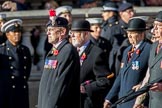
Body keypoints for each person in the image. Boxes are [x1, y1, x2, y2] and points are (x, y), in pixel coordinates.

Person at [103, 18, 152, 108]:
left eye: (132, 33)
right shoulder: (127, 50)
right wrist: (109, 98)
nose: (129, 35)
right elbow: (121, 76)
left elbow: (151, 75)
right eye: (128, 32)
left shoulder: (149, 49)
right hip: (122, 100)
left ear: (141, 34)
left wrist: (142, 86)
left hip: (137, 102)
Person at [38, 16, 80, 108]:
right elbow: (46, 84)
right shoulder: (54, 51)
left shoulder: (67, 51)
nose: (48, 33)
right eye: (47, 30)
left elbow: (60, 85)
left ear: (62, 32)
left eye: (51, 30)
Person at [70, 19, 114, 108]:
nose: (72, 36)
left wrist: (86, 88)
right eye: (71, 32)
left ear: (86, 34)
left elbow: (105, 81)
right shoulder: (71, 51)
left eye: (76, 32)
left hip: (87, 102)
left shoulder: (97, 53)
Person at [133, 11, 162, 108]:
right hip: (153, 103)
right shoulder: (154, 46)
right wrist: (139, 101)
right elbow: (148, 76)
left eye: (159, 26)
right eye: (155, 25)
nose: (155, 29)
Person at [0, 19, 32, 108]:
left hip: (21, 90)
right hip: (7, 92)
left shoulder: (25, 50)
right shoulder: (2, 50)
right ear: (7, 34)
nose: (17, 34)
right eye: (14, 32)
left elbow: (27, 71)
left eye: (19, 32)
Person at [114, 2, 135, 76]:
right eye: (129, 12)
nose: (132, 14)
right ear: (121, 13)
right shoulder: (114, 29)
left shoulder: (132, 27)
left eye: (133, 11)